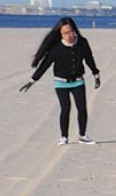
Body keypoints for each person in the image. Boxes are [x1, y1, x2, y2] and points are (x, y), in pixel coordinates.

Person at [19, 17, 101, 145]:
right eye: (65, 33)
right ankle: (64, 137)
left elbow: (89, 59)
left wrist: (96, 74)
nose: (68, 35)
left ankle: (83, 135)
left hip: (78, 81)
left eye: (70, 32)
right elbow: (44, 65)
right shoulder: (56, 47)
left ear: (75, 30)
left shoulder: (82, 43)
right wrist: (32, 81)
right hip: (61, 83)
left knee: (82, 108)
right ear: (60, 34)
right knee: (65, 108)